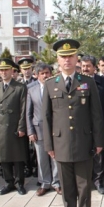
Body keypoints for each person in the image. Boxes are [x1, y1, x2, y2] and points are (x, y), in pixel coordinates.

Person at [43, 39, 104, 207]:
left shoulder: (87, 81)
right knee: (67, 188)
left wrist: (98, 141)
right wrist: (49, 145)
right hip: (60, 145)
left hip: (84, 143)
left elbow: (96, 114)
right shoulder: (51, 84)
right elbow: (46, 117)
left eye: (70, 56)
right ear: (57, 60)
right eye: (63, 57)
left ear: (77, 58)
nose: (67, 60)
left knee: (84, 187)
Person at [0, 58, 29, 195]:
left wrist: (22, 127)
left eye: (6, 69)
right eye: (1, 70)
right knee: (3, 158)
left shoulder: (19, 87)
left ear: (12, 71)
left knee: (17, 157)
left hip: (14, 126)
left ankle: (19, 183)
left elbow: (24, 109)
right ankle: (8, 182)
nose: (4, 72)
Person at [26, 62, 61, 196]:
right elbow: (28, 113)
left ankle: (56, 182)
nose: (45, 76)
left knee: (55, 157)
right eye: (42, 73)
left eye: (47, 73)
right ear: (36, 75)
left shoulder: (57, 87)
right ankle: (45, 183)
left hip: (55, 129)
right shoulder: (31, 90)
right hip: (38, 129)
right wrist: (30, 131)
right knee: (41, 159)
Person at [81, 55, 104, 195]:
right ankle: (85, 181)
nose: (85, 69)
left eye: (88, 66)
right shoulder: (77, 81)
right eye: (83, 66)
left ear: (94, 67)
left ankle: (98, 180)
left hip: (100, 123)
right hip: (82, 125)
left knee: (99, 153)